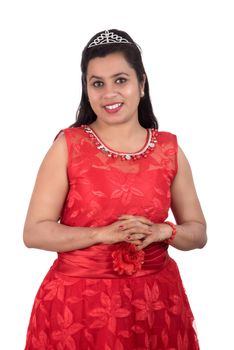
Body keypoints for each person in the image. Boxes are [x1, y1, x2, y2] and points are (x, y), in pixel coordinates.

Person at [23, 29, 207, 349]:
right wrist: (101, 235)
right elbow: (34, 233)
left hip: (156, 304)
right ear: (87, 89)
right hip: (78, 307)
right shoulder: (69, 146)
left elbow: (199, 233)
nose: (110, 93)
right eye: (98, 83)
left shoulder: (168, 149)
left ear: (142, 83)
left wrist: (164, 231)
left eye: (120, 80)